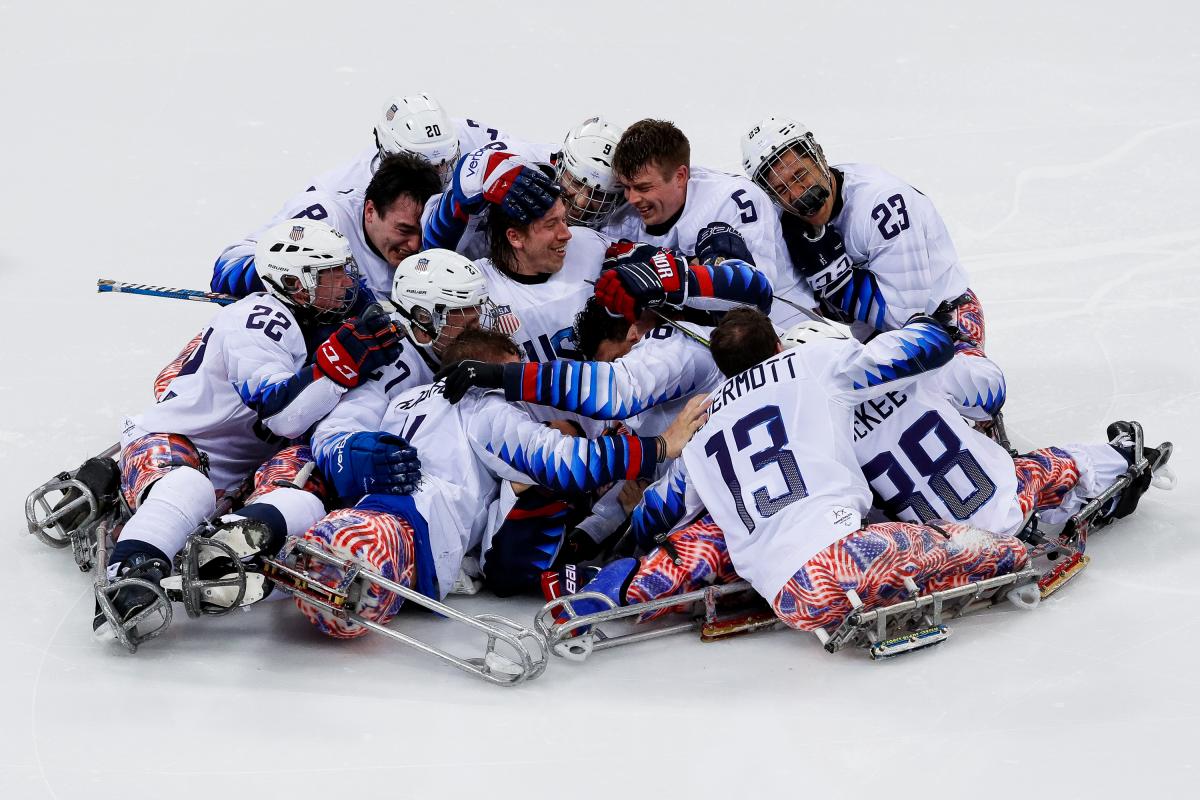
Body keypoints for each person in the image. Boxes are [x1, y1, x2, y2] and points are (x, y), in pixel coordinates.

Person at [570, 308, 1029, 635]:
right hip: (846, 557)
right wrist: (936, 326)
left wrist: (630, 524)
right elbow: (919, 350)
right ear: (776, 345)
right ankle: (1009, 550)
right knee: (984, 544)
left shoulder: (702, 427)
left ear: (721, 368)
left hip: (789, 598)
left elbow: (658, 513)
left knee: (708, 533)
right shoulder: (809, 365)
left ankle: (609, 589)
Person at [94, 219, 416, 643]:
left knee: (305, 499)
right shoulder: (256, 318)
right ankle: (133, 570)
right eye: (331, 274)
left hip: (252, 469)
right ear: (293, 283)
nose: (348, 282)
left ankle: (229, 548)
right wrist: (344, 359)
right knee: (189, 487)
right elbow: (282, 414)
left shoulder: (331, 314)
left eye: (347, 268)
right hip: (179, 442)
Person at [286, 329, 709, 638]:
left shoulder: (406, 398)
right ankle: (342, 568)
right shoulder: (486, 406)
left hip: (363, 512)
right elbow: (565, 463)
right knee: (351, 578)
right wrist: (660, 447)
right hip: (416, 536)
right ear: (494, 365)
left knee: (322, 541)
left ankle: (283, 542)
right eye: (515, 369)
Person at [781, 319, 1166, 540]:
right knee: (1056, 464)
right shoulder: (911, 372)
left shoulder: (818, 427)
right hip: (1006, 501)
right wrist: (964, 347)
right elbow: (989, 393)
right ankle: (1119, 460)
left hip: (941, 541)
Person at [741, 116, 986, 356]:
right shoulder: (779, 225)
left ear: (820, 157)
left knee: (959, 390)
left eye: (800, 175)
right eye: (781, 189)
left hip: (943, 317)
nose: (798, 194)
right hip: (870, 339)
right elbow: (788, 309)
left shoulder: (883, 203)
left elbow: (907, 317)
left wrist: (839, 282)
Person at [602, 118, 813, 325]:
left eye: (643, 187)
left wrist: (663, 273)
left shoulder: (734, 199)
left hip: (786, 326)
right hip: (696, 337)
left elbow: (755, 294)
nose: (632, 199)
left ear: (680, 176)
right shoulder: (621, 218)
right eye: (626, 187)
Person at [212, 153, 442, 298]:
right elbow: (226, 269)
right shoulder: (323, 217)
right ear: (370, 211)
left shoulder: (439, 235)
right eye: (404, 230)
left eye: (423, 231)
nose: (415, 244)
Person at [421, 116, 624, 260]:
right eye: (577, 183)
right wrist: (471, 185)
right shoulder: (518, 160)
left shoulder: (628, 209)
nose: (582, 201)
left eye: (598, 194)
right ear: (560, 163)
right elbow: (430, 247)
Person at [305, 93, 512, 193]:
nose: (439, 175)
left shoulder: (471, 135)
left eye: (446, 163)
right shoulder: (339, 188)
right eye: (428, 167)